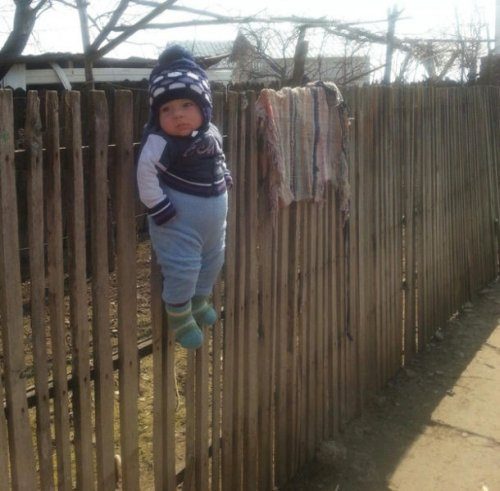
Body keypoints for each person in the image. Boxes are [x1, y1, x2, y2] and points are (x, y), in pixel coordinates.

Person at [137, 45, 232, 349]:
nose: (177, 114)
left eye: (186, 105)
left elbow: (219, 158)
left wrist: (225, 176)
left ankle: (199, 300)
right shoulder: (160, 141)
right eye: (166, 109)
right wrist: (159, 207)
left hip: (213, 225)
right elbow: (145, 174)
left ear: (204, 107)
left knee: (213, 261)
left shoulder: (211, 132)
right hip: (179, 224)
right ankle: (178, 314)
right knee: (183, 269)